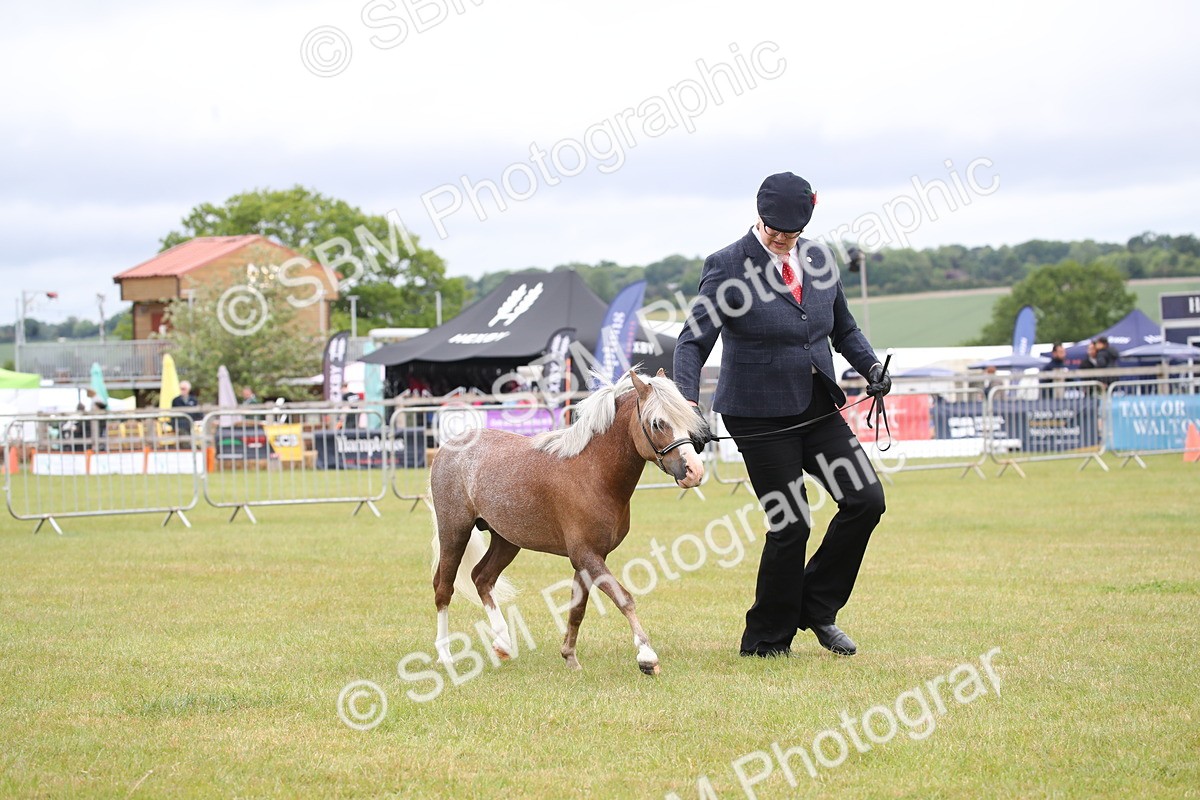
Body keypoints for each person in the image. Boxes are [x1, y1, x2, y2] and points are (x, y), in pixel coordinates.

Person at [673, 171, 891, 659]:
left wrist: (871, 365)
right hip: (758, 416)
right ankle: (766, 641)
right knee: (791, 524)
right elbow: (692, 342)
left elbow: (845, 329)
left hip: (817, 405)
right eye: (772, 228)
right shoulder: (727, 265)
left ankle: (814, 607)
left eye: (789, 233)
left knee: (866, 501)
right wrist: (687, 404)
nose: (779, 238)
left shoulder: (819, 257)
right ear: (759, 213)